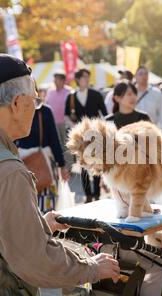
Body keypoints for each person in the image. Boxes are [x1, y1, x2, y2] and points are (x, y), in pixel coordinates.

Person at [0, 54, 120, 296]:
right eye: (35, 100)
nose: (36, 107)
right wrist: (92, 267)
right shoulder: (5, 170)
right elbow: (36, 263)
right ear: (18, 103)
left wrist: (38, 225)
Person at [16, 102, 71, 212]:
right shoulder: (44, 111)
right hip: (44, 164)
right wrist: (62, 165)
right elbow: (54, 140)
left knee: (26, 206)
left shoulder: (13, 110)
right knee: (47, 207)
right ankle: (46, 228)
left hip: (21, 163)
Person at [65, 68, 108, 203]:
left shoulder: (96, 94)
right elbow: (66, 115)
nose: (87, 79)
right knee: (82, 163)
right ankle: (88, 194)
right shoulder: (71, 96)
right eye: (84, 77)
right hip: (80, 136)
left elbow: (104, 114)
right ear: (77, 79)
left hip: (95, 134)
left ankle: (96, 193)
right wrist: (75, 129)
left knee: (96, 162)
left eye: (88, 77)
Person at [44, 72, 71, 154]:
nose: (55, 81)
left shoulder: (69, 91)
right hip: (53, 123)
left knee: (68, 144)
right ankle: (60, 161)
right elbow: (46, 104)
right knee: (56, 144)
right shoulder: (50, 91)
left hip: (65, 123)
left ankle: (69, 163)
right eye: (54, 79)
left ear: (63, 81)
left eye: (57, 79)